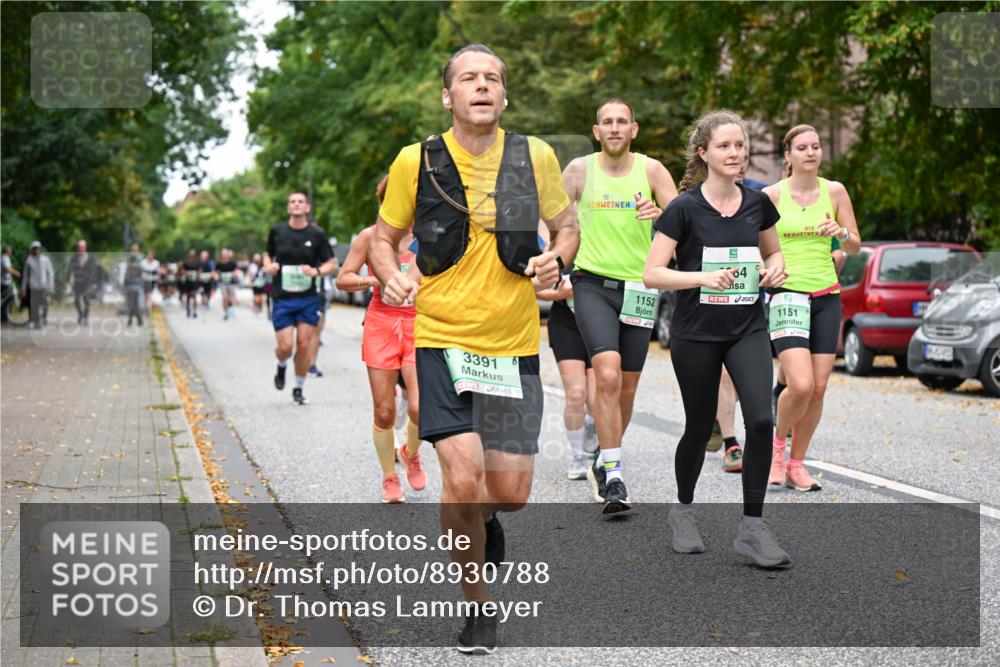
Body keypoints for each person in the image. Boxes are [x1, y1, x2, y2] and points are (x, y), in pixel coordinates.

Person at [369, 44, 579, 654]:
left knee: (507, 496)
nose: (481, 86)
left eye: (492, 79)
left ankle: (485, 523)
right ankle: (477, 605)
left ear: (504, 95)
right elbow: (385, 238)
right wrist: (389, 273)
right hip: (440, 341)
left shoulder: (533, 155)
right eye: (468, 78)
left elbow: (567, 225)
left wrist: (555, 256)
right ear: (448, 95)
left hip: (512, 346)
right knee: (462, 478)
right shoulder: (418, 161)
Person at [643, 109, 790, 567]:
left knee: (761, 420)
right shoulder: (683, 208)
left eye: (741, 145)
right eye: (725, 146)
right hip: (696, 332)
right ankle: (683, 511)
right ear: (704, 153)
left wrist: (777, 268)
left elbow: (774, 251)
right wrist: (702, 279)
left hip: (746, 326)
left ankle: (752, 527)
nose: (736, 153)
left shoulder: (758, 202)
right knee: (698, 424)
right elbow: (652, 273)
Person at [562, 98, 677, 514]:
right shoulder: (578, 171)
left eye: (621, 122)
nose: (614, 128)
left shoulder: (651, 170)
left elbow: (685, 220)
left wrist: (660, 214)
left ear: (634, 129)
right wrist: (554, 261)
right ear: (597, 132)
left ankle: (605, 455)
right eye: (606, 122)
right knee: (606, 373)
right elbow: (554, 222)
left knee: (626, 387)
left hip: (641, 287)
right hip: (592, 283)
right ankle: (614, 476)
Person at [763, 124, 860, 492]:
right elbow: (756, 246)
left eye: (816, 146)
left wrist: (840, 231)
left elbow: (853, 244)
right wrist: (764, 271)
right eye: (802, 147)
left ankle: (797, 464)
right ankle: (777, 447)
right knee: (800, 385)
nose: (811, 152)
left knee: (818, 388)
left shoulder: (834, 191)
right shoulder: (772, 196)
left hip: (826, 296)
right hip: (787, 294)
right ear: (788, 156)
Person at [336, 176, 425, 503]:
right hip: (381, 323)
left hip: (418, 324)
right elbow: (343, 279)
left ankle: (411, 452)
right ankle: (390, 476)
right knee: (385, 411)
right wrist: (377, 279)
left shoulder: (426, 239)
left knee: (420, 407)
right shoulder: (370, 238)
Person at [533, 223, 597, 481]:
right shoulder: (555, 242)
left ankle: (592, 428)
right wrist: (559, 293)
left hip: (596, 323)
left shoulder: (598, 240)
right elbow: (536, 287)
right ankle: (576, 455)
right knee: (576, 393)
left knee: (594, 398)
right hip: (565, 323)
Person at [264, 192, 337, 405]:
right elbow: (267, 254)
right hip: (282, 297)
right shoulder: (277, 231)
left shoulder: (316, 235)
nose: (296, 204)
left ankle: (298, 386)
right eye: (292, 202)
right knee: (286, 347)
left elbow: (331, 263)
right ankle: (281, 365)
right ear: (289, 208)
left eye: (300, 202)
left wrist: (316, 272)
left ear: (307, 208)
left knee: (304, 344)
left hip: (308, 299)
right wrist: (269, 266)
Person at [21, 241, 54, 329]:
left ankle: (44, 317)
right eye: (34, 249)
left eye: (37, 248)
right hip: (33, 287)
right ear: (32, 250)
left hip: (44, 286)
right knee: (34, 305)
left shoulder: (45, 259)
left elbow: (50, 273)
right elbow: (25, 276)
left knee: (45, 303)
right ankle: (37, 322)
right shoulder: (29, 261)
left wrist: (50, 285)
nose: (36, 250)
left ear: (40, 249)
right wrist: (23, 288)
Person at [70, 240, 98, 324]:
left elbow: (94, 271)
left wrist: (94, 283)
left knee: (87, 300)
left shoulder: (91, 258)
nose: (80, 249)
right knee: (76, 300)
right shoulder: (74, 258)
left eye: (82, 247)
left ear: (85, 248)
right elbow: (70, 270)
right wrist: (68, 281)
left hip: (87, 283)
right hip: (77, 282)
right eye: (79, 247)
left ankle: (85, 317)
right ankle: (81, 315)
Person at [215, 248, 240, 320]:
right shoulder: (219, 263)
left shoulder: (232, 263)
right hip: (223, 283)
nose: (224, 255)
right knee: (225, 297)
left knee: (231, 297)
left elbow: (236, 271)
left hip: (231, 282)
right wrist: (216, 276)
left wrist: (233, 274)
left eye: (225, 254)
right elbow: (216, 272)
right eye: (223, 254)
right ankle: (225, 312)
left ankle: (231, 308)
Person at [124, 243, 144, 326]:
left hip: (136, 285)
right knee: (133, 303)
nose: (134, 252)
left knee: (133, 303)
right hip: (132, 285)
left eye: (135, 250)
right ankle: (137, 319)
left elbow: (141, 274)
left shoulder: (139, 260)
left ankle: (132, 319)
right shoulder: (133, 261)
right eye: (133, 250)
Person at [1, 245, 21, 323]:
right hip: (4, 282)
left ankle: (4, 317)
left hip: (5, 281)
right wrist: (16, 273)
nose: (11, 252)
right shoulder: (5, 258)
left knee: (5, 299)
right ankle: (4, 318)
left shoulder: (3, 257)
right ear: (7, 251)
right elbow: (7, 268)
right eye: (10, 250)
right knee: (7, 299)